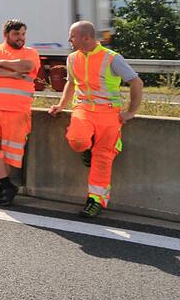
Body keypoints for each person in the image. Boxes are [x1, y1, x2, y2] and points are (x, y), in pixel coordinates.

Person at [48, 21, 143, 218]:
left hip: (109, 114)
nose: (69, 40)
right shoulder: (72, 58)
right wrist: (62, 105)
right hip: (83, 109)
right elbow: (71, 84)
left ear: (86, 37)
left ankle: (95, 200)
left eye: (72, 36)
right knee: (77, 139)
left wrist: (130, 111)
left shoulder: (111, 58)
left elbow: (136, 82)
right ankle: (87, 148)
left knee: (103, 157)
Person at [0, 19, 40, 206]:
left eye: (23, 34)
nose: (21, 38)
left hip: (18, 110)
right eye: (16, 34)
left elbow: (27, 67)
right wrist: (12, 72)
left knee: (10, 152)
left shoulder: (31, 53)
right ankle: (6, 184)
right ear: (6, 35)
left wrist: (1, 64)